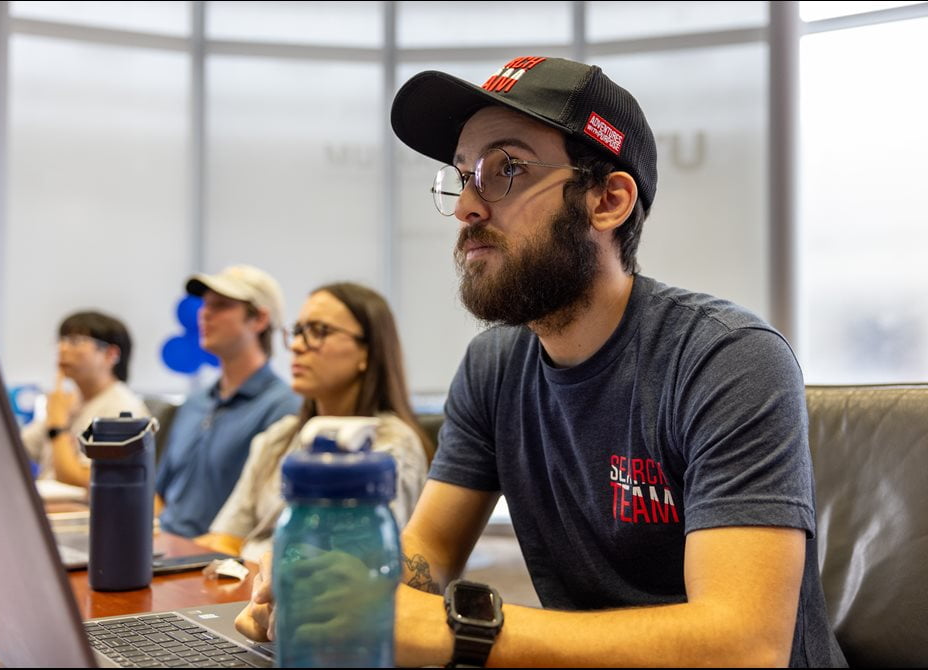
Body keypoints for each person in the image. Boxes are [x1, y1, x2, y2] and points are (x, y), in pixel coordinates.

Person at [235, 57, 847, 667]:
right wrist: (332, 584)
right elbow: (429, 554)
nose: (466, 207)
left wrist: (454, 630)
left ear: (608, 200)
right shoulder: (494, 366)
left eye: (507, 169)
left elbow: (745, 646)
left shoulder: (727, 359)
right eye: (464, 176)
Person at [197, 282, 432, 560]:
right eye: (298, 331)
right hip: (250, 579)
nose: (297, 346)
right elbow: (227, 537)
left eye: (319, 331)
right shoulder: (279, 437)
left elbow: (352, 563)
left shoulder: (391, 447)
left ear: (367, 352)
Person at [155, 265, 300, 538]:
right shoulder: (194, 403)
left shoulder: (284, 408)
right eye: (206, 304)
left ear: (259, 319)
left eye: (221, 305)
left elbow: (265, 521)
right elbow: (159, 494)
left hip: (221, 555)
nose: (204, 313)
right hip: (166, 546)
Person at [21, 310, 149, 488]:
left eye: (75, 341)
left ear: (111, 354)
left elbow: (82, 480)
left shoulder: (122, 409)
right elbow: (18, 448)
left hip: (79, 504)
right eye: (61, 340)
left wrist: (57, 427)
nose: (62, 349)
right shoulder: (72, 401)